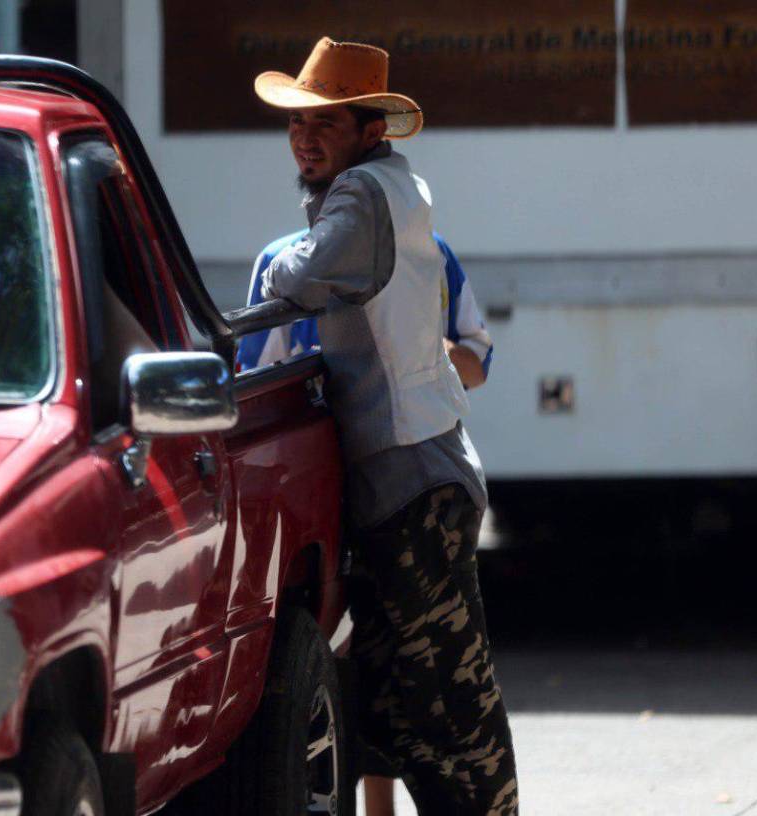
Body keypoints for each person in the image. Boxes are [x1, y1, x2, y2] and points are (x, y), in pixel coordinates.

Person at [252, 37, 519, 815]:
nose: (304, 138)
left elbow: (296, 280)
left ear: (370, 131)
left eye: (324, 124)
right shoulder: (395, 189)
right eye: (297, 124)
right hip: (418, 477)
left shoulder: (361, 197)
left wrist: (281, 265)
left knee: (445, 709)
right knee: (401, 695)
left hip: (410, 482)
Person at [236, 231, 493, 389]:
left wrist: (419, 342)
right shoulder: (278, 259)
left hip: (415, 463)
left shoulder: (431, 252)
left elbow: (476, 370)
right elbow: (258, 392)